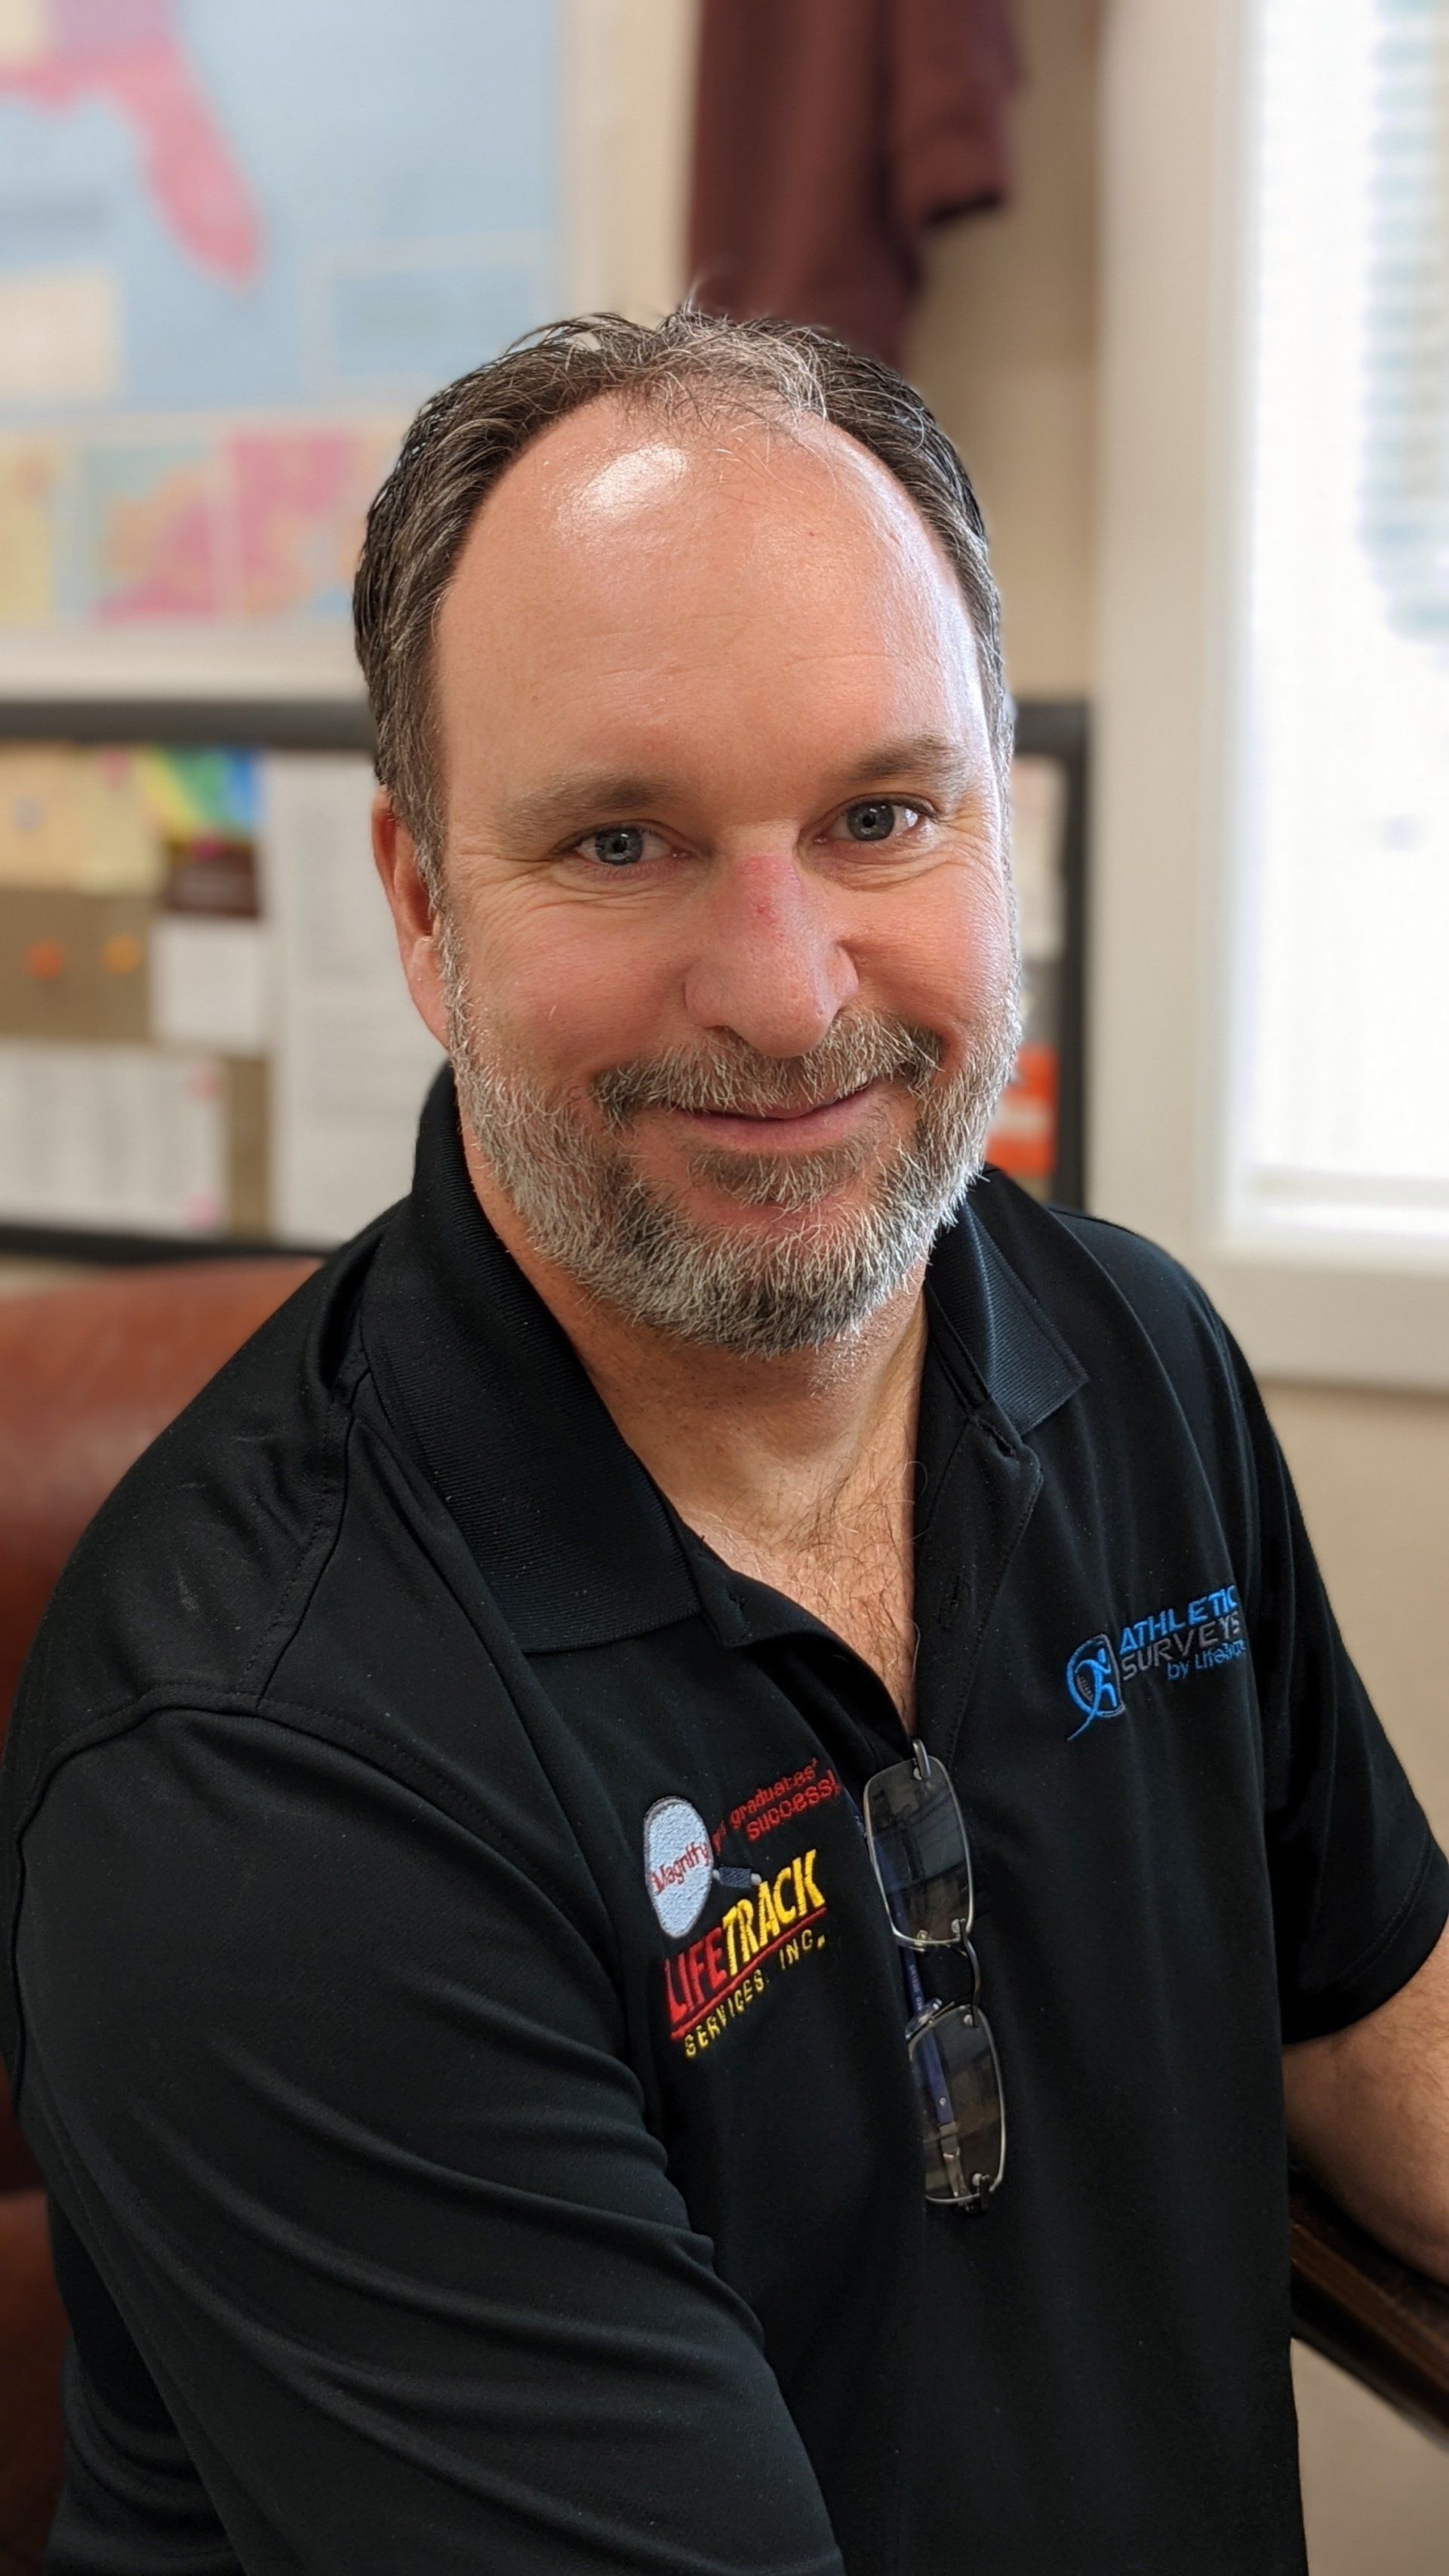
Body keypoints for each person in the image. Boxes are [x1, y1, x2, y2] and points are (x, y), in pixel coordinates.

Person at [2, 309, 1446, 2576]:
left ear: (999, 836)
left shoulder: (1130, 1355)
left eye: (880, 816)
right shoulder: (258, 1773)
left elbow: (1370, 2028)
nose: (785, 990)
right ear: (422, 908)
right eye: (622, 841)